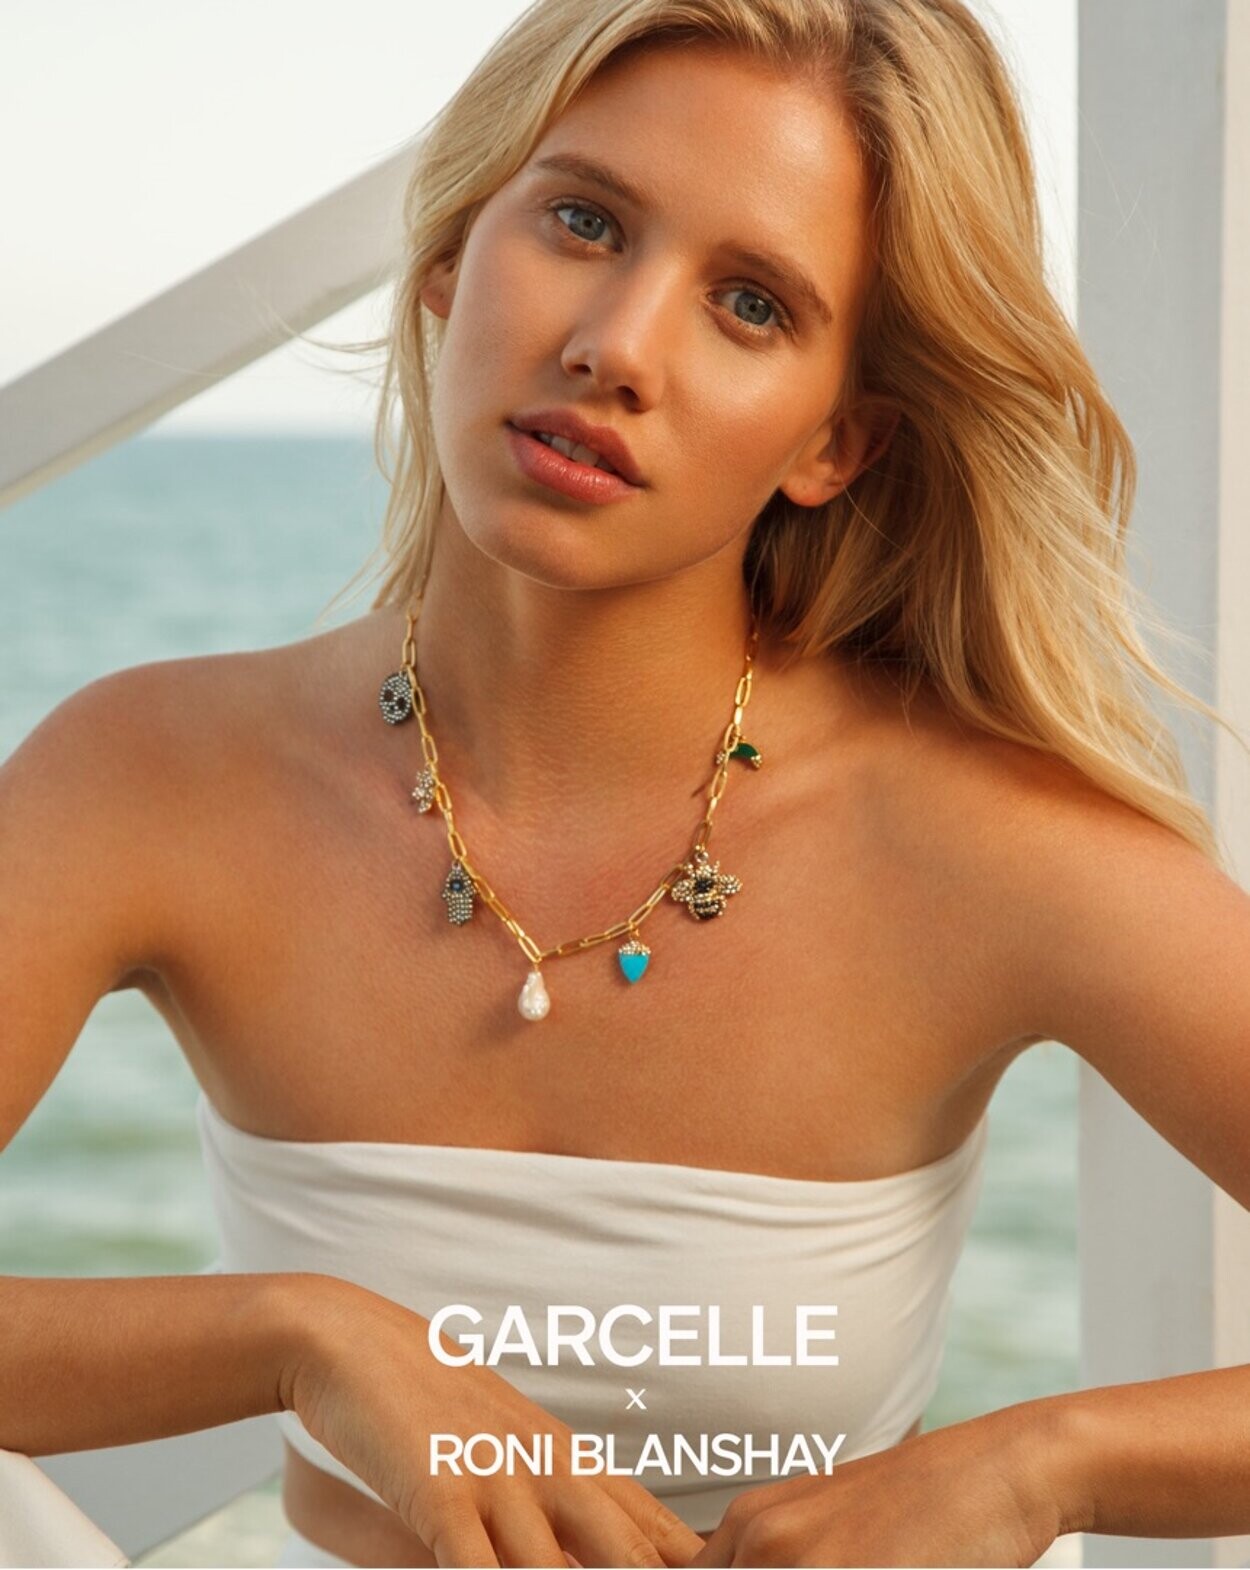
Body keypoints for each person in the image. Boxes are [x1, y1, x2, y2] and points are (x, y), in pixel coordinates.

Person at [3, 0, 1249, 1567]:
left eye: (749, 305)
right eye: (583, 222)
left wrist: (1040, 1464)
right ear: (451, 257)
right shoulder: (154, 777)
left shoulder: (978, 845)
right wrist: (300, 1335)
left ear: (836, 442)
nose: (616, 346)